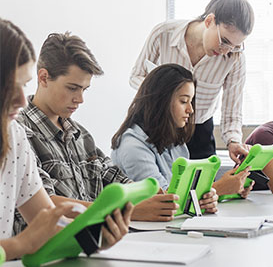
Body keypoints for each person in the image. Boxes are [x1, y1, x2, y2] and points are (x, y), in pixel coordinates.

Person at [15, 32, 217, 234]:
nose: (80, 99)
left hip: (90, 248)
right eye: (72, 88)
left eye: (84, 89)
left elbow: (119, 181)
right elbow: (42, 203)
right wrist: (128, 210)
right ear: (43, 78)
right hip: (47, 253)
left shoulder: (81, 136)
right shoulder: (19, 134)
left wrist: (165, 198)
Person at [0, 19, 132, 261]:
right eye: (11, 86)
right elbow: (30, 237)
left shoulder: (14, 137)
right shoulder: (23, 130)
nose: (21, 100)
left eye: (23, 85)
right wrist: (20, 245)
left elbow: (51, 225)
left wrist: (95, 238)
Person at [130, 0, 255, 164]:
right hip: (159, 124)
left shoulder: (234, 58)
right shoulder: (163, 34)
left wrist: (233, 141)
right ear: (210, 21)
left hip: (199, 133)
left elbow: (232, 110)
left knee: (203, 191)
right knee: (162, 189)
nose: (225, 50)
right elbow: (136, 75)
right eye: (224, 41)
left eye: (235, 46)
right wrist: (163, 95)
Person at [111, 64, 253, 199]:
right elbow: (164, 201)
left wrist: (231, 190)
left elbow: (188, 193)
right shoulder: (132, 147)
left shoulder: (174, 142)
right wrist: (219, 189)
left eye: (191, 101)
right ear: (161, 101)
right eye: (184, 101)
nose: (190, 110)